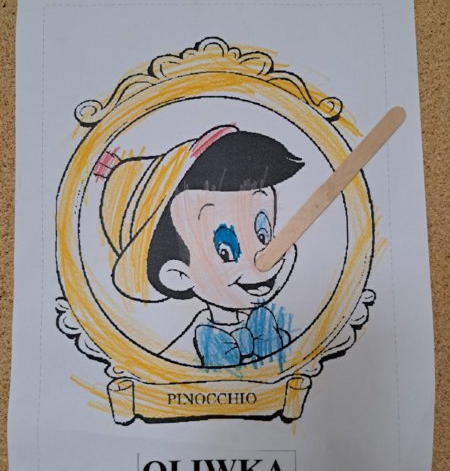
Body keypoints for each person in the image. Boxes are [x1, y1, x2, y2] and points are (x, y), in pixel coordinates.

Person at [100, 125, 304, 367]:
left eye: (263, 234)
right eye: (226, 251)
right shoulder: (175, 358)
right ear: (178, 275)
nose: (262, 257)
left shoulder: (287, 326)